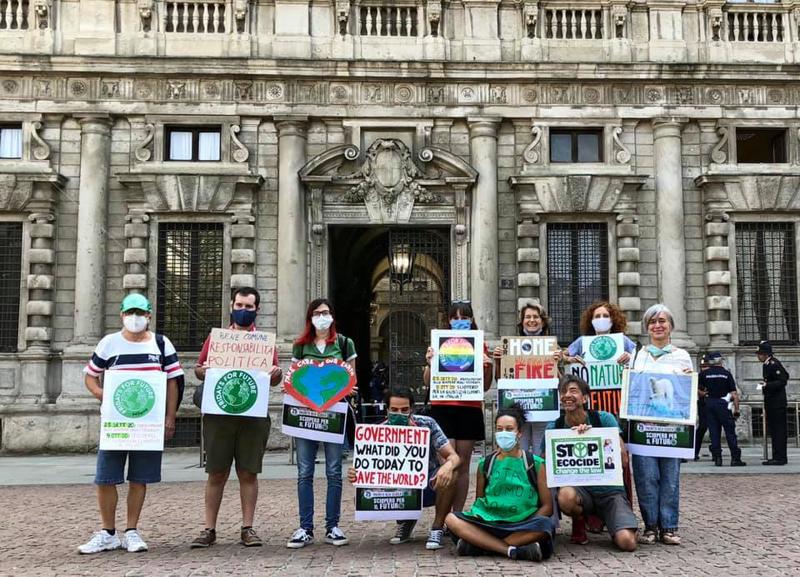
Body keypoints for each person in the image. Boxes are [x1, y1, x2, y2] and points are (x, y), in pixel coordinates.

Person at [79, 294, 182, 554]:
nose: (135, 318)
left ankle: (132, 530)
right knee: (105, 477)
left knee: (139, 478)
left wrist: (170, 417)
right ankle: (108, 532)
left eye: (140, 313)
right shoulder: (109, 343)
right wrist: (104, 394)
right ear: (122, 315)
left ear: (149, 316)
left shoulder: (161, 344)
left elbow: (173, 381)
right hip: (116, 423)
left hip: (148, 424)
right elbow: (90, 376)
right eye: (130, 312)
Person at [191, 287, 283, 549]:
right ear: (231, 306)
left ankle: (247, 528)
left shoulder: (264, 343)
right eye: (239, 305)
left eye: (248, 307)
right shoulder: (217, 339)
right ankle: (209, 529)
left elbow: (274, 378)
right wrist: (205, 370)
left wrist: (276, 373)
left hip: (252, 416)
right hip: (219, 415)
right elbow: (199, 369)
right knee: (216, 472)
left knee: (248, 472)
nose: (243, 310)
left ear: (257, 310)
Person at [346, 386, 460, 548]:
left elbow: (454, 456)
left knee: (453, 474)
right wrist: (356, 473)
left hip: (428, 484)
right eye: (394, 410)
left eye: (404, 409)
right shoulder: (376, 432)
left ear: (411, 409)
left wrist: (447, 467)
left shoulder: (427, 424)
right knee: (365, 492)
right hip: (396, 488)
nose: (399, 414)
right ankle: (405, 521)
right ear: (386, 410)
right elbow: (367, 467)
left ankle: (437, 528)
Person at [422, 301, 494, 549]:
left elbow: (485, 385)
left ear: (471, 319)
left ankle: (457, 518)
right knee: (447, 464)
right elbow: (428, 382)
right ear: (449, 320)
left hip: (469, 409)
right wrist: (429, 362)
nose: (459, 321)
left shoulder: (479, 344)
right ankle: (439, 522)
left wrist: (488, 366)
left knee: (462, 466)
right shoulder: (439, 342)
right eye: (455, 317)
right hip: (443, 407)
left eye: (464, 317)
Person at [287, 298, 357, 548]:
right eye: (317, 313)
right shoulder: (300, 346)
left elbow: (352, 378)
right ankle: (305, 527)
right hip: (305, 416)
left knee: (334, 471)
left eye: (325, 312)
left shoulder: (344, 343)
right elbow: (293, 378)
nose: (321, 317)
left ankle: (332, 526)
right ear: (310, 317)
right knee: (304, 471)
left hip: (334, 415)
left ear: (332, 316)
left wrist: (346, 388)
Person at [446, 405, 554, 561]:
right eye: (499, 429)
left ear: (519, 433)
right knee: (451, 519)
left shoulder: (535, 463)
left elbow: (548, 507)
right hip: (490, 524)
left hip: (522, 524)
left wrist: (529, 523)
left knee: (544, 525)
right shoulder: (485, 463)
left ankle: (481, 545)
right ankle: (511, 549)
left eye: (509, 429)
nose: (504, 433)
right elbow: (479, 502)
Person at [545, 375, 638, 552]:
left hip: (610, 493)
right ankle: (579, 519)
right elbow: (547, 465)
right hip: (580, 492)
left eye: (573, 391)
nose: (567, 395)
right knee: (565, 496)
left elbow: (624, 460)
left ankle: (617, 523)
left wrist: (594, 436)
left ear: (585, 398)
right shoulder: (554, 427)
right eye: (563, 392)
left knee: (627, 543)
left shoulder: (604, 419)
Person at [631, 304, 693, 546]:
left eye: (662, 321)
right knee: (646, 477)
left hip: (672, 428)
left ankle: (668, 526)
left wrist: (688, 379)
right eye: (652, 322)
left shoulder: (682, 356)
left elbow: (686, 394)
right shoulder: (638, 355)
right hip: (643, 427)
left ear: (670, 326)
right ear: (647, 328)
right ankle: (650, 526)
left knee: (670, 478)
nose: (657, 325)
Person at [492, 302, 555, 453]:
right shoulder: (509, 346)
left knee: (542, 453)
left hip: (543, 408)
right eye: (528, 317)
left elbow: (560, 381)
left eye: (536, 317)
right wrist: (498, 361)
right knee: (518, 452)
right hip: (517, 409)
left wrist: (556, 362)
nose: (532, 320)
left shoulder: (553, 348)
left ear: (543, 321)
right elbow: (500, 380)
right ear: (522, 321)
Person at [699, 352, 745, 467]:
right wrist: (737, 409)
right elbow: (734, 394)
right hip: (723, 403)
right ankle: (735, 458)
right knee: (730, 431)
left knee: (714, 432)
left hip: (710, 403)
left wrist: (703, 394)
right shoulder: (726, 374)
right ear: (720, 361)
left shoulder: (704, 374)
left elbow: (696, 388)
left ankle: (717, 458)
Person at [557, 301, 637, 366]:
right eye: (597, 316)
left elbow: (640, 356)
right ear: (591, 321)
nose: (601, 319)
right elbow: (561, 355)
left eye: (605, 316)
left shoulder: (622, 340)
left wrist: (630, 356)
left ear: (613, 320)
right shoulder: (582, 341)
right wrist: (569, 359)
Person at [757, 341, 789, 466]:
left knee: (778, 430)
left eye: (760, 354)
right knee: (775, 430)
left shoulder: (773, 364)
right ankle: (777, 456)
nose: (758, 356)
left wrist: (767, 385)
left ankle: (780, 457)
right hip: (771, 401)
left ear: (765, 354)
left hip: (777, 402)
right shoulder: (767, 364)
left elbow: (783, 379)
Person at [694, 355, 709, 461]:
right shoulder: (700, 376)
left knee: (714, 428)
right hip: (703, 403)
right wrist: (701, 393)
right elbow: (695, 386)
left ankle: (716, 453)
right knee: (702, 427)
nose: (704, 368)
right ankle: (695, 452)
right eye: (702, 366)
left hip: (712, 402)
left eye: (706, 366)